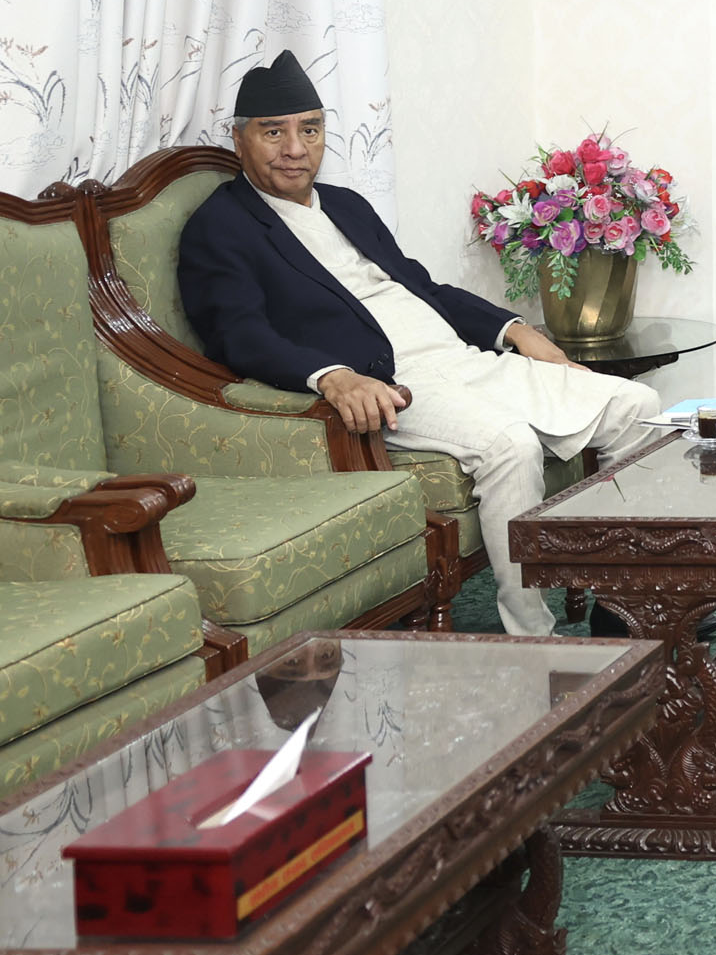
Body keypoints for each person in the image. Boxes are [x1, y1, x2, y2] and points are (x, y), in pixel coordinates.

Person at [177, 51, 661, 637]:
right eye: (273, 132)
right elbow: (237, 334)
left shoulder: (347, 206)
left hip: (462, 360)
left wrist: (514, 330)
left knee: (637, 407)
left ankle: (626, 608)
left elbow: (423, 287)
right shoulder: (220, 226)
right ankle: (533, 637)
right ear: (239, 140)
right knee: (508, 445)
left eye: (310, 129)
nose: (295, 149)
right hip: (394, 385)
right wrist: (331, 375)